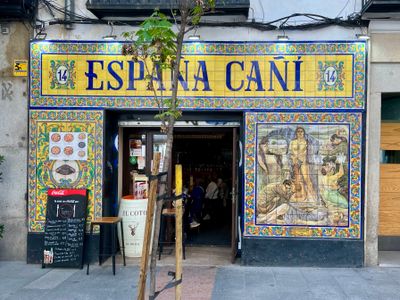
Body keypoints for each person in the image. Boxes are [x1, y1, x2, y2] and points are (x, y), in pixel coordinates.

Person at [289, 126, 317, 202]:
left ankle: (314, 198)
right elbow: (290, 153)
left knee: (307, 179)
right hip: (295, 163)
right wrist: (294, 159)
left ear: (304, 133)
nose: (300, 133)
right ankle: (299, 198)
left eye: (302, 131)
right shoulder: (292, 142)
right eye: (298, 131)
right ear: (296, 133)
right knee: (297, 180)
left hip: (304, 162)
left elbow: (309, 153)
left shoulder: (306, 142)